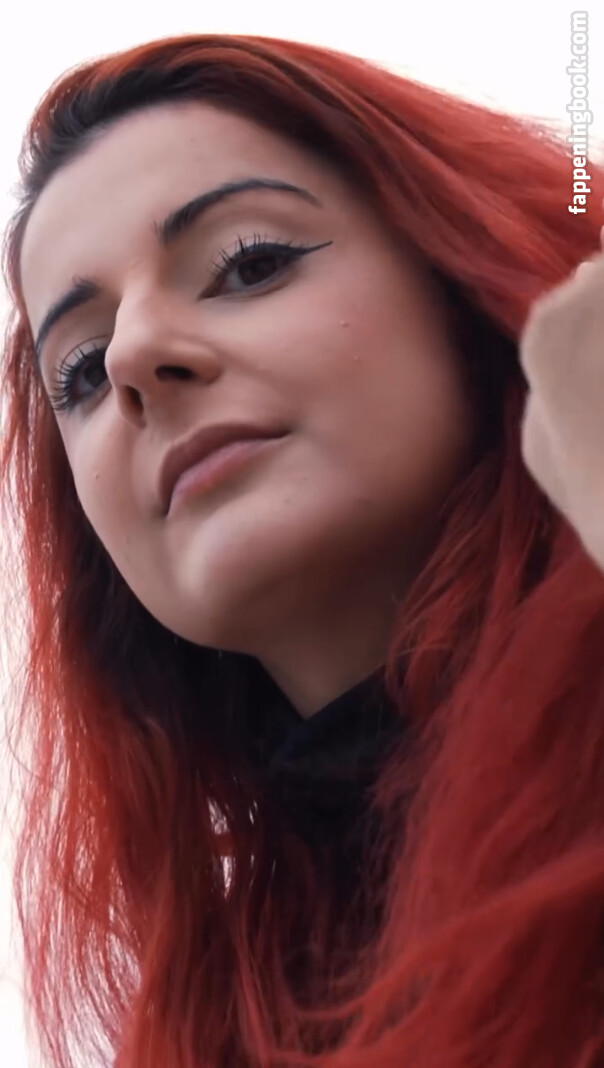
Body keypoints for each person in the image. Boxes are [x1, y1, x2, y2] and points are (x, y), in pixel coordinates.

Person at [2, 32, 604, 1068]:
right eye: (84, 369)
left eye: (249, 263)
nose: (137, 354)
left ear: (461, 276)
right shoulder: (218, 1028)